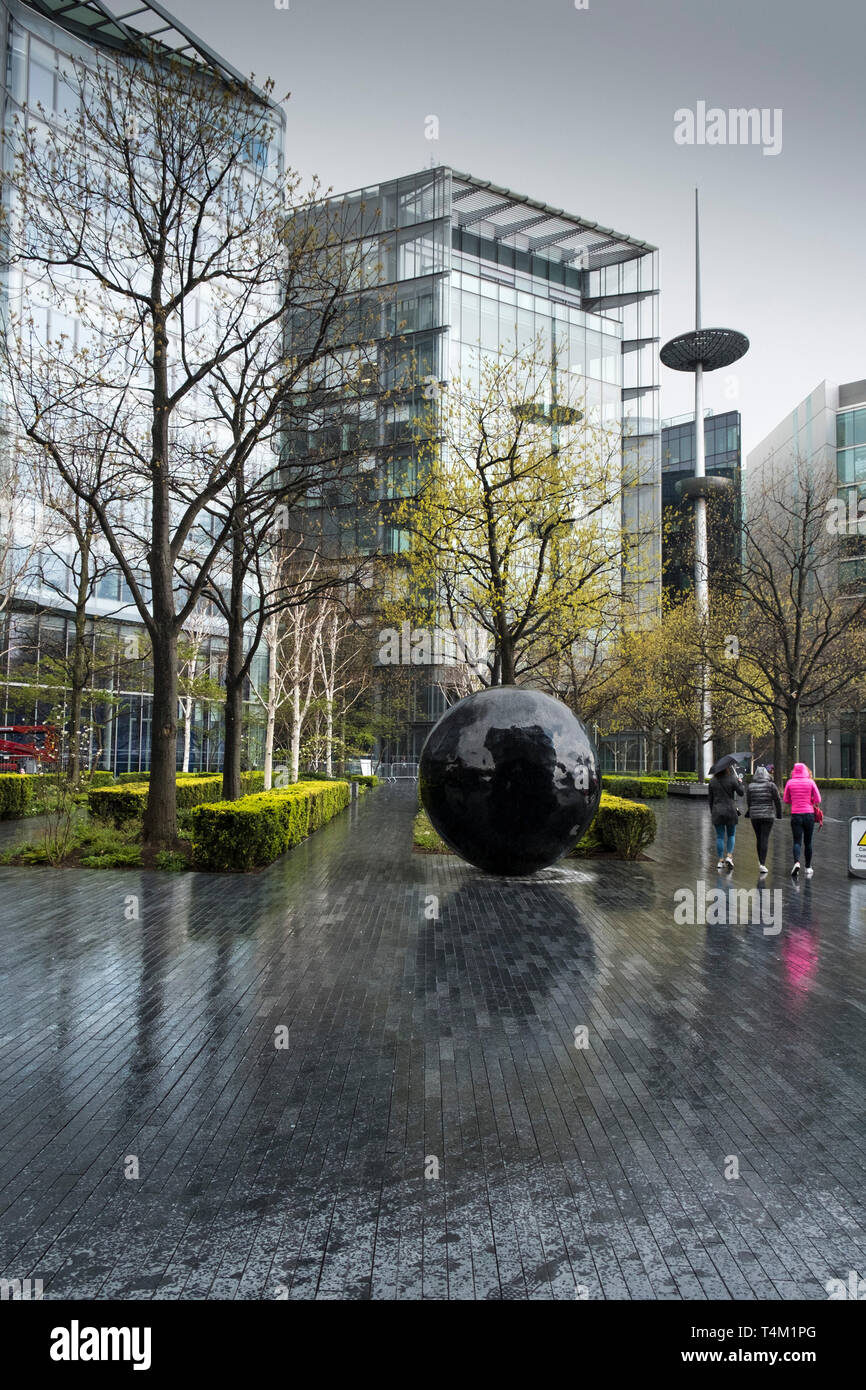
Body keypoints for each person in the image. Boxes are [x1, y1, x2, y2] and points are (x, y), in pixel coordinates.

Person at [782, 762, 822, 879]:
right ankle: (808, 867)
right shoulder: (810, 782)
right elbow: (818, 798)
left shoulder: (790, 782)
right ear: (805, 771)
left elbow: (786, 799)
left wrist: (794, 801)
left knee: (797, 841)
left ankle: (796, 863)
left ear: (794, 771)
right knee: (808, 842)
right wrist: (810, 800)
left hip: (796, 815)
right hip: (809, 815)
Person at [744, 763, 783, 874]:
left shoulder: (751, 786)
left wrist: (750, 811)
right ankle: (762, 863)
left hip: (755, 816)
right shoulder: (771, 785)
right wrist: (779, 814)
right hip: (768, 815)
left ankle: (760, 860)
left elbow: (749, 801)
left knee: (759, 837)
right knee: (765, 837)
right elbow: (777, 800)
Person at [708, 762, 745, 870]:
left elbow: (710, 799)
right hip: (730, 811)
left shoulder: (712, 781)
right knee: (731, 835)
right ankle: (729, 856)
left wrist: (712, 811)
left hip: (717, 811)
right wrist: (740, 783)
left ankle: (720, 861)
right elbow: (741, 793)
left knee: (719, 836)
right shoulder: (732, 779)